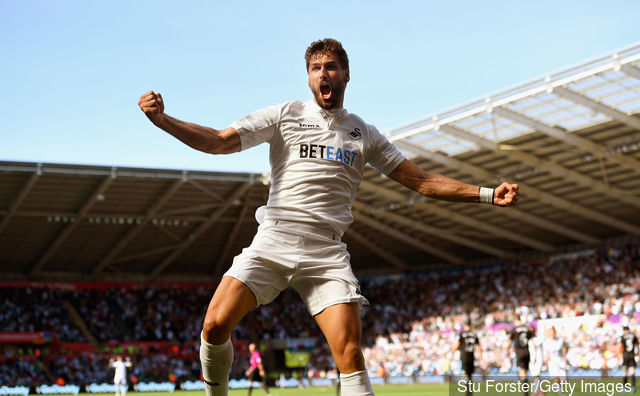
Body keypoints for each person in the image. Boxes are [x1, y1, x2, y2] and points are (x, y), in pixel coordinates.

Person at [138, 38, 519, 396]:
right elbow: (219, 142)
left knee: (350, 355)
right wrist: (164, 121)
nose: (324, 74)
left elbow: (421, 182)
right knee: (214, 325)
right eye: (316, 67)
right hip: (274, 240)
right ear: (308, 77)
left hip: (326, 254)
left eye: (332, 67)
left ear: (346, 75)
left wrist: (486, 193)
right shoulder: (284, 114)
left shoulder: (363, 133)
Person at [455, 322, 483, 396]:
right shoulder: (474, 334)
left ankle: (466, 390)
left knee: (465, 375)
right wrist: (481, 359)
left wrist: (451, 352)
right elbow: (479, 347)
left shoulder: (462, 334)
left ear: (465, 326)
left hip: (464, 357)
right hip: (471, 357)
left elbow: (457, 345)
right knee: (470, 375)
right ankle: (469, 392)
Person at [510, 317, 534, 396]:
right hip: (527, 352)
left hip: (519, 352)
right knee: (525, 372)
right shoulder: (527, 329)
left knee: (522, 372)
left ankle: (525, 393)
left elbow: (509, 341)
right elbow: (532, 341)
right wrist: (535, 352)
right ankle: (526, 388)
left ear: (515, 320)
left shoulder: (514, 329)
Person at [543, 327, 568, 395]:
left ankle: (561, 390)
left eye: (552, 331)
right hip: (552, 362)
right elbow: (546, 355)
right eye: (550, 331)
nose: (551, 333)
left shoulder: (560, 340)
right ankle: (560, 393)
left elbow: (564, 348)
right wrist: (546, 364)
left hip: (560, 361)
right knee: (555, 379)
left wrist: (565, 357)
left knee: (563, 380)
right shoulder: (546, 342)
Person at [620, 326, 638, 392]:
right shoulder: (633, 336)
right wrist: (637, 353)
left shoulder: (623, 336)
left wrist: (619, 356)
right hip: (632, 356)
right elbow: (637, 345)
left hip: (625, 356)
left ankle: (625, 387)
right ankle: (633, 387)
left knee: (624, 372)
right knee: (632, 372)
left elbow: (620, 346)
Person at [528, 325, 544, 396]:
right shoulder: (528, 340)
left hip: (538, 360)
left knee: (536, 376)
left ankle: (534, 392)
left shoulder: (537, 339)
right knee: (535, 376)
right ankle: (542, 390)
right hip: (531, 360)